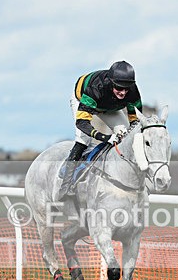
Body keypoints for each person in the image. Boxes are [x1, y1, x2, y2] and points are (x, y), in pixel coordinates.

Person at [58, 60, 143, 198]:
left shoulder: (133, 91)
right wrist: (105, 138)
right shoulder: (96, 88)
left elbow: (135, 122)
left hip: (109, 107)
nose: (123, 92)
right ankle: (66, 185)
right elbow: (82, 123)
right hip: (83, 100)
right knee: (83, 139)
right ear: (111, 83)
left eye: (126, 89)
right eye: (119, 88)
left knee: (126, 135)